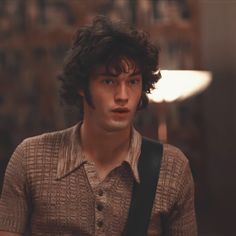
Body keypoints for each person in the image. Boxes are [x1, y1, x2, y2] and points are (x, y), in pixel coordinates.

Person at [0, 16, 197, 235]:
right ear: (82, 86)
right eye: (109, 81)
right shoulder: (31, 157)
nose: (123, 96)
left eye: (132, 81)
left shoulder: (171, 167)